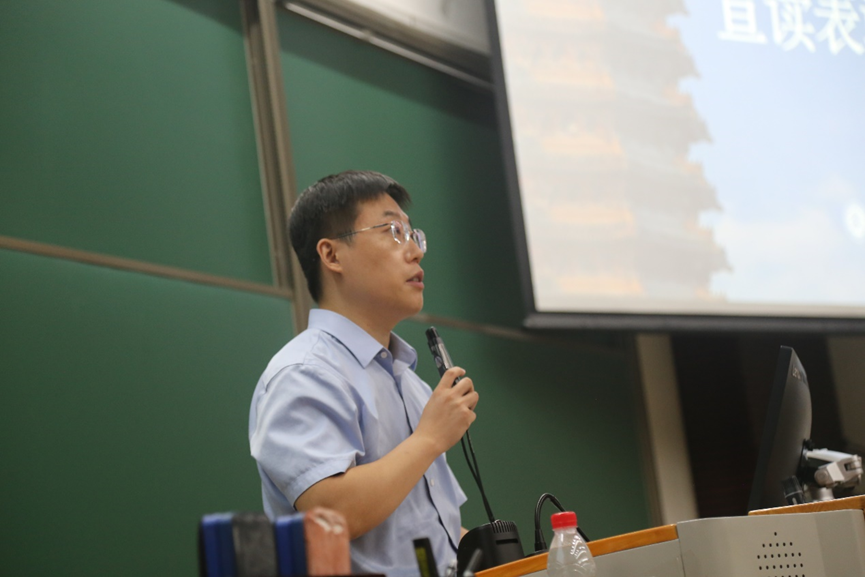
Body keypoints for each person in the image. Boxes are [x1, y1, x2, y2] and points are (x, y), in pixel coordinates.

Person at [248, 170, 479, 577]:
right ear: (332, 255)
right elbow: (333, 514)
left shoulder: (409, 382)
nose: (415, 252)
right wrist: (428, 439)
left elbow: (429, 528)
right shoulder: (304, 373)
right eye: (393, 232)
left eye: (413, 235)